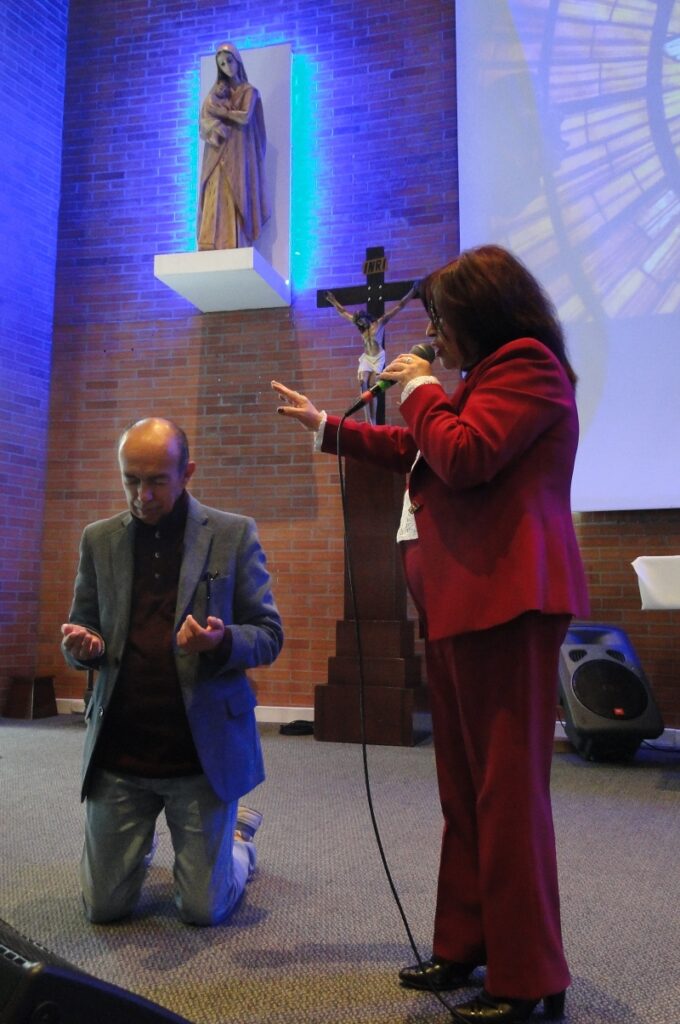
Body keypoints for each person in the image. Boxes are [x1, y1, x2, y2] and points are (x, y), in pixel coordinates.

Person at [271, 245, 589, 1023]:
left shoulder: (529, 368)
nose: (433, 335)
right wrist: (327, 428)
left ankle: (528, 977)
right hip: (461, 606)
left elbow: (464, 455)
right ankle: (466, 944)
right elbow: (421, 447)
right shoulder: (479, 383)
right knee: (465, 790)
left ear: (480, 313)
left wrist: (416, 388)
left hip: (508, 606)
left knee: (506, 794)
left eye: (441, 320)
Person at [61, 417, 283, 926]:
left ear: (188, 473)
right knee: (103, 908)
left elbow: (269, 634)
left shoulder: (232, 533)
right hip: (120, 753)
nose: (142, 496)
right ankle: (141, 844)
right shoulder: (98, 539)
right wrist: (83, 648)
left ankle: (238, 842)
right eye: (131, 480)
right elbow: (83, 628)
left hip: (199, 757)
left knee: (203, 910)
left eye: (157, 481)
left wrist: (221, 641)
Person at [197, 42, 269, 250]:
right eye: (222, 64)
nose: (227, 67)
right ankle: (212, 241)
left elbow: (245, 116)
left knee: (236, 190)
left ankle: (235, 240)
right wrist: (212, 124)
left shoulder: (249, 92)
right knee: (215, 190)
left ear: (237, 61)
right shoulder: (217, 93)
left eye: (229, 61)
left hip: (238, 154)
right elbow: (203, 120)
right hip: (217, 152)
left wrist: (223, 112)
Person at [324, 283, 417, 424]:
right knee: (362, 382)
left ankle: (373, 421)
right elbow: (343, 312)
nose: (361, 324)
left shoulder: (379, 323)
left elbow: (399, 306)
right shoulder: (360, 326)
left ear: (367, 318)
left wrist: (412, 292)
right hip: (367, 358)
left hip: (378, 357)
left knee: (374, 387)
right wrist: (332, 300)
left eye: (362, 321)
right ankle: (368, 420)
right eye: (359, 323)